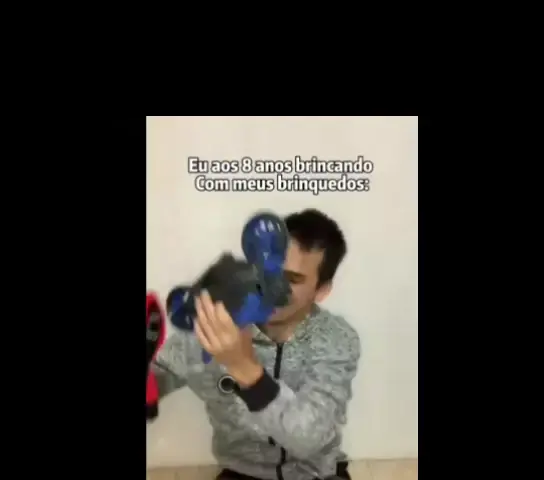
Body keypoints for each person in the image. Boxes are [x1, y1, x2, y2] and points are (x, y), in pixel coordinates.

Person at [151, 208, 361, 480]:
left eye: (292, 279)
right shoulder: (214, 326)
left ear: (321, 290)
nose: (271, 287)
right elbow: (156, 379)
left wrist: (244, 368)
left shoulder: (336, 339)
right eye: (269, 270)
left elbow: (308, 439)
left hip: (316, 474)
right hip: (242, 473)